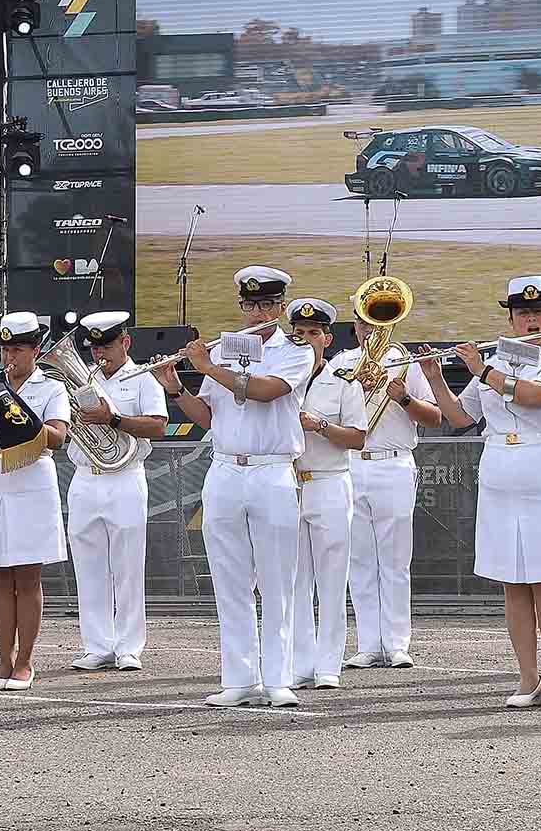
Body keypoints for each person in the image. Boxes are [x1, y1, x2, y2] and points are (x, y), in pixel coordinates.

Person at [152, 265, 314, 708]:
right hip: (224, 469)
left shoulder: (295, 350)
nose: (255, 312)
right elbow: (208, 417)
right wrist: (177, 388)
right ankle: (239, 678)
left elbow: (267, 391)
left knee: (278, 578)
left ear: (281, 308)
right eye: (249, 305)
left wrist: (208, 365)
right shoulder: (222, 351)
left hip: (272, 470)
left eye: (265, 304)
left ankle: (277, 678)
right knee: (229, 577)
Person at [421, 275, 541, 710]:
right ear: (511, 318)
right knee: (512, 581)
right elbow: (458, 416)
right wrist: (436, 379)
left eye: (538, 313)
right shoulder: (497, 363)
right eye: (523, 314)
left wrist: (483, 370)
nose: (532, 320)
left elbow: (538, 398)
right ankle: (527, 676)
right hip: (499, 469)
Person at [0, 311, 69, 693]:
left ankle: (25, 660)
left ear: (35, 350)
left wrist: (17, 410)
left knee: (27, 576)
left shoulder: (51, 388)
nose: (11, 356)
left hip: (31, 478)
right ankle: (3, 658)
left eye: (19, 349)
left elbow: (57, 437)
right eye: (6, 349)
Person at [334, 301, 441, 671]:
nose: (371, 330)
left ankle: (396, 644)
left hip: (392, 463)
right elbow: (325, 413)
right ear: (356, 327)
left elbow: (435, 416)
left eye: (377, 323)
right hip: (349, 465)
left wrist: (404, 398)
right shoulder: (341, 364)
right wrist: (354, 388)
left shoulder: (404, 363)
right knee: (359, 560)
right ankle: (368, 643)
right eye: (364, 324)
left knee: (395, 561)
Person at [65, 311, 167, 672]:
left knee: (127, 565)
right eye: (94, 347)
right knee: (88, 566)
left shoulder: (143, 380)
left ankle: (129, 646)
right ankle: (97, 644)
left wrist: (112, 420)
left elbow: (157, 427)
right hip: (84, 476)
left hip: (124, 476)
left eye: (106, 345)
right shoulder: (79, 380)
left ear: (125, 343)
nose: (99, 354)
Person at [286, 298, 366, 690]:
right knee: (294, 579)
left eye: (313, 334)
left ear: (326, 338)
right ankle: (299, 664)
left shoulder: (343, 382)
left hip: (330, 480)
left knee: (333, 578)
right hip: (289, 483)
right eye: (298, 334)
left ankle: (328, 665)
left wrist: (319, 425)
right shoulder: (282, 380)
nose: (305, 340)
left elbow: (357, 437)